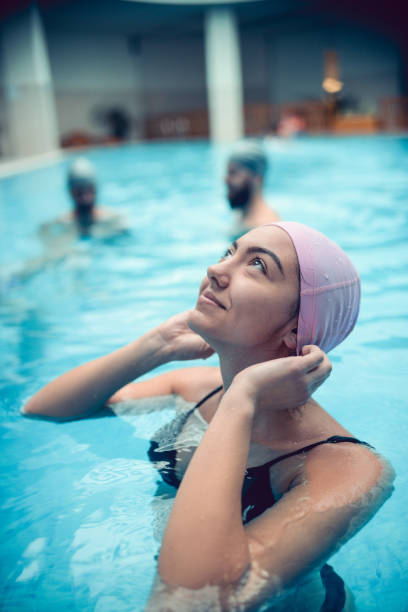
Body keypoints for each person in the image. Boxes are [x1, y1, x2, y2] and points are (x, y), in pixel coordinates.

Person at [22, 222, 394, 611]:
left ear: (294, 329)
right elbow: (43, 411)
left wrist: (241, 400)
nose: (217, 270)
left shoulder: (348, 467)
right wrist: (158, 344)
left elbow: (190, 603)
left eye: (257, 266)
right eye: (229, 253)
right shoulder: (196, 387)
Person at [39, 157, 127, 250]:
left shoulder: (114, 219)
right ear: (71, 193)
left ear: (95, 189)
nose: (85, 198)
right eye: (79, 193)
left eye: (88, 190)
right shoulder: (60, 224)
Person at [226, 141, 280, 240]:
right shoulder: (241, 215)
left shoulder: (267, 228)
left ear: (257, 178)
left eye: (233, 173)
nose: (226, 180)